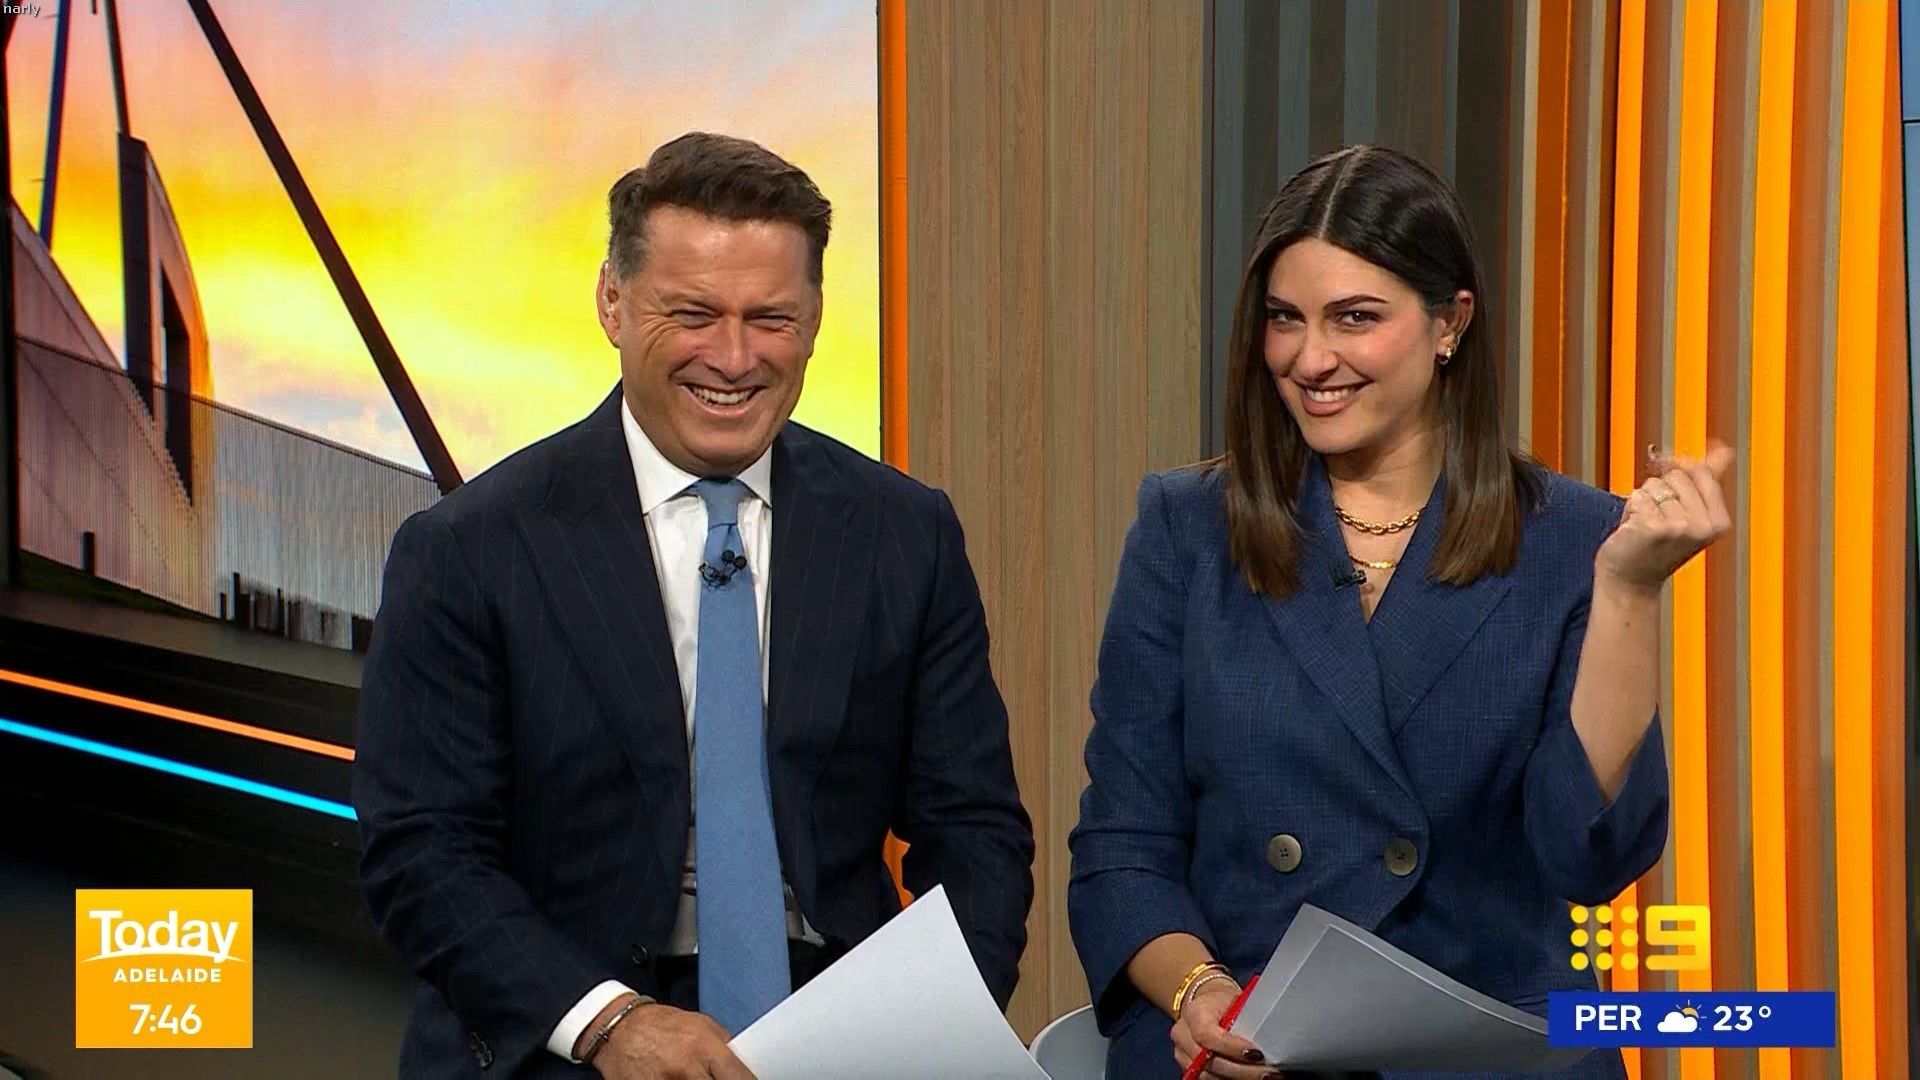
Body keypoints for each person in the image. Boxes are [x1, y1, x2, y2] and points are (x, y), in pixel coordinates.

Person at [353, 132, 1034, 1080]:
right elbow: (422, 854)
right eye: (693, 314)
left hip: (839, 1027)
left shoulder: (903, 533)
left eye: (771, 318)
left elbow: (977, 832)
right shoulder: (468, 550)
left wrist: (928, 1028)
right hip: (568, 1025)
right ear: (613, 302)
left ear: (814, 319)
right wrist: (611, 1024)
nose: (734, 357)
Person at [1067, 145, 1726, 1080]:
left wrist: (1629, 590)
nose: (1310, 359)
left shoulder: (1574, 538)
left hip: (1480, 1052)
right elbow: (1122, 847)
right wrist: (1198, 992)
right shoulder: (1187, 528)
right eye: (1285, 319)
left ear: (1450, 322)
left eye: (1355, 318)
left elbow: (1586, 857)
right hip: (1246, 1042)